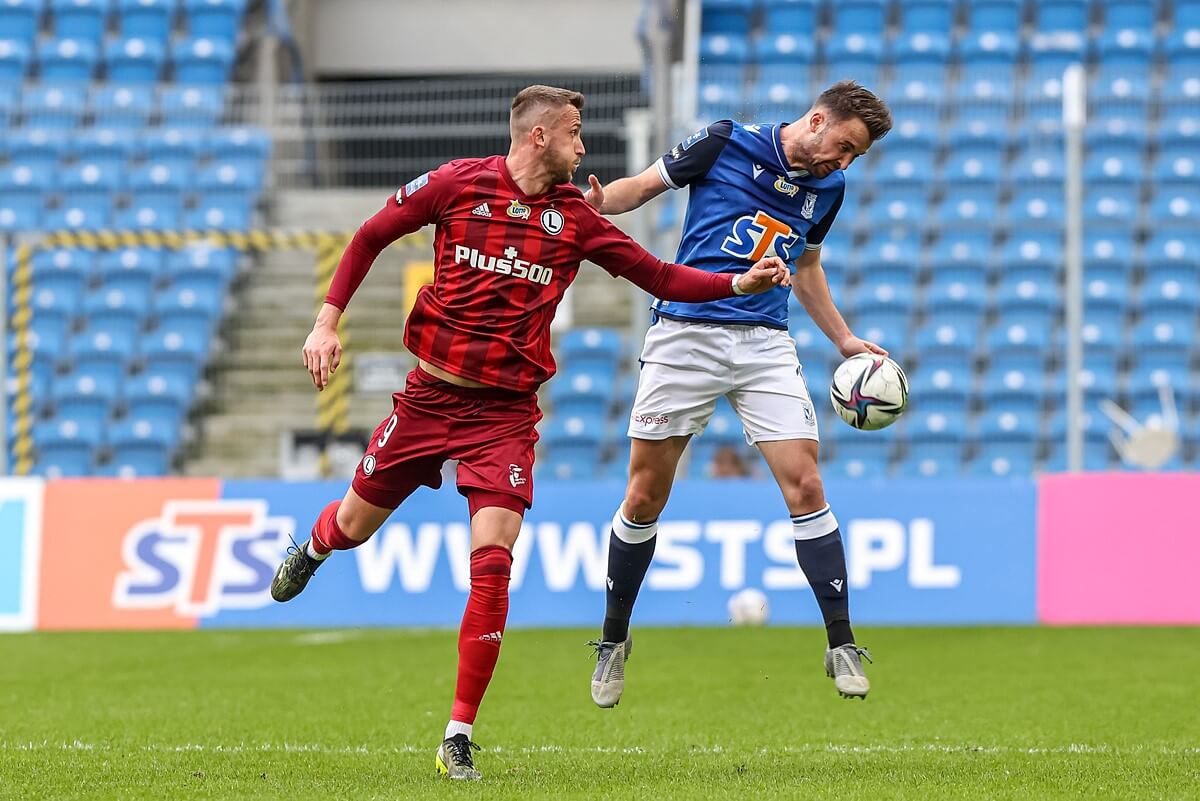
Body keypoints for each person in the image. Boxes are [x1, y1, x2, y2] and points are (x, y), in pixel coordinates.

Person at [266, 84, 791, 781]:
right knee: (355, 525)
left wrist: (734, 287)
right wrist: (326, 320)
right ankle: (314, 546)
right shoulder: (457, 185)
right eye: (575, 132)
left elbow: (657, 273)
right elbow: (369, 236)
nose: (584, 145)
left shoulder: (575, 217)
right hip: (427, 398)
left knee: (492, 562)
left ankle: (458, 732)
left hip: (506, 416)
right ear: (538, 135)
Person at [584, 81, 893, 707]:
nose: (844, 162)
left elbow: (806, 267)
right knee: (644, 494)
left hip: (763, 341)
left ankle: (841, 641)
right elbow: (640, 188)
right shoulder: (724, 142)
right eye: (844, 146)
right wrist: (596, 204)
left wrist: (843, 340)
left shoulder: (828, 190)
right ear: (816, 120)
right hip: (685, 333)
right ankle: (614, 639)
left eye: (855, 156)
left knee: (806, 483)